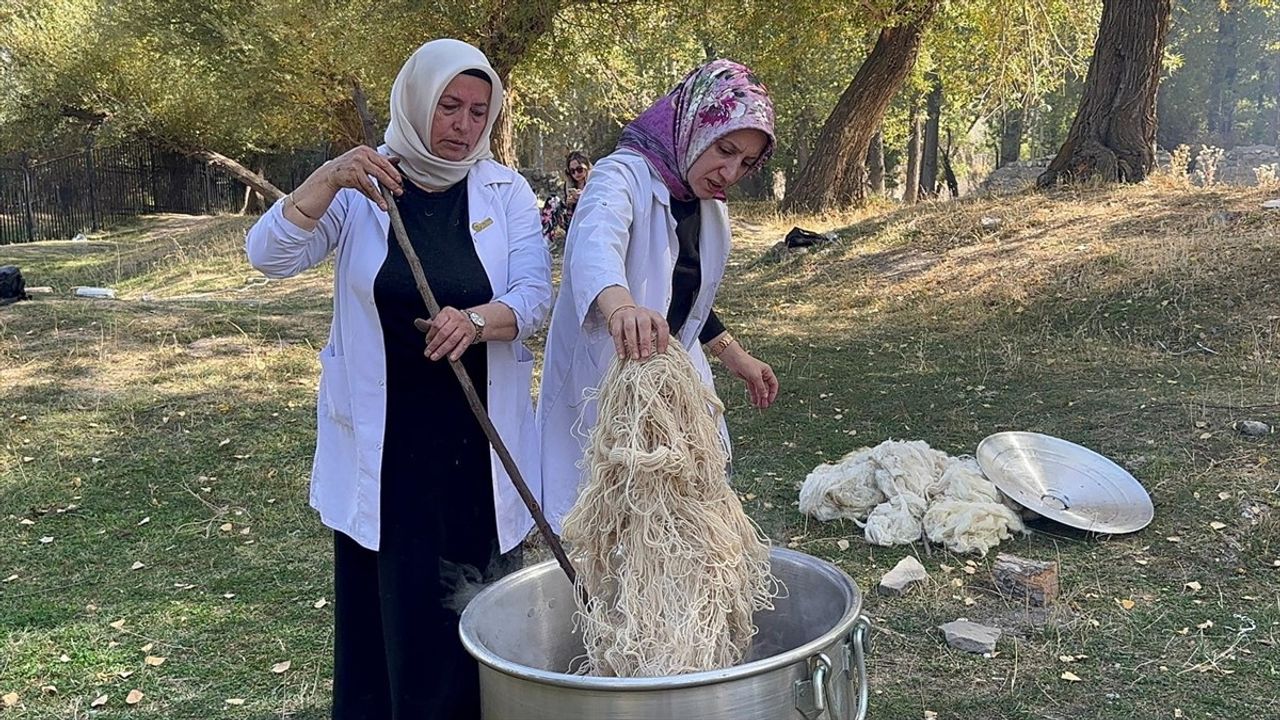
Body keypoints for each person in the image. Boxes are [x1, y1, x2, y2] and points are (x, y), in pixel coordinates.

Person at [245, 38, 551, 720]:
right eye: (448, 106)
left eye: (478, 111)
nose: (463, 126)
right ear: (416, 102)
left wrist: (476, 321)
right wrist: (328, 178)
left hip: (476, 438)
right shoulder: (362, 189)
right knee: (395, 606)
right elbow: (268, 256)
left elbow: (534, 296)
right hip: (385, 445)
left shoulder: (505, 190)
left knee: (476, 607)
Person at [537, 59, 780, 527]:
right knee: (608, 522)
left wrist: (735, 355)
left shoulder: (705, 204)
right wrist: (621, 306)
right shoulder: (619, 176)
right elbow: (593, 247)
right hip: (606, 379)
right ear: (694, 125)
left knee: (684, 515)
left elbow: (685, 294)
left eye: (745, 163)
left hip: (673, 375)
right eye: (724, 149)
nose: (729, 172)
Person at [540, 150, 592, 245]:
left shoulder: (594, 181)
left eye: (579, 169)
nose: (576, 173)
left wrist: (583, 197)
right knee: (552, 200)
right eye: (572, 171)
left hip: (589, 217)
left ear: (586, 167)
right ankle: (545, 238)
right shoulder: (569, 185)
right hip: (572, 220)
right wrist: (569, 203)